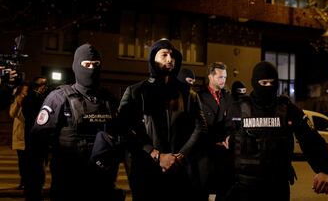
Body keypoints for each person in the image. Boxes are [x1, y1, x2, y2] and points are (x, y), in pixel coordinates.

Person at [25, 43, 124, 201]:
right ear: (76, 66)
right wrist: (33, 189)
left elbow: (121, 137)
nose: (91, 69)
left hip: (103, 185)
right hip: (68, 185)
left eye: (95, 64)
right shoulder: (59, 98)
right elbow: (37, 145)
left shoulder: (108, 100)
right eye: (86, 64)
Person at [223, 61, 328, 201]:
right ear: (254, 83)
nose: (268, 87)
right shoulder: (237, 109)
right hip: (244, 188)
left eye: (272, 83)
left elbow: (311, 139)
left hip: (277, 187)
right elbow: (222, 144)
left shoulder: (287, 109)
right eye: (264, 83)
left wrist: (323, 169)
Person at [117, 38, 207, 201]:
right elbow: (123, 127)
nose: (169, 59)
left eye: (172, 55)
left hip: (179, 171)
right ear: (153, 59)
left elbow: (200, 126)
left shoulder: (188, 94)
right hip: (145, 171)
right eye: (164, 54)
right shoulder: (135, 92)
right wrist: (154, 153)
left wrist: (180, 155)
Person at [197, 62, 233, 200]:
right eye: (220, 77)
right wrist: (213, 142)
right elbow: (198, 126)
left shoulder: (228, 97)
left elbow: (232, 121)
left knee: (223, 192)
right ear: (210, 77)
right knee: (203, 191)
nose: (223, 80)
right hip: (206, 152)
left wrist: (229, 137)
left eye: (225, 77)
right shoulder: (199, 97)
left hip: (224, 153)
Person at [9, 82, 29, 190]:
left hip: (29, 135)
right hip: (20, 136)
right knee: (22, 161)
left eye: (26, 92)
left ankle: (29, 181)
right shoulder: (16, 100)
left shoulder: (31, 101)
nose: (25, 94)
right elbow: (12, 114)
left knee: (29, 161)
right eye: (24, 92)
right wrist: (18, 103)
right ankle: (23, 180)